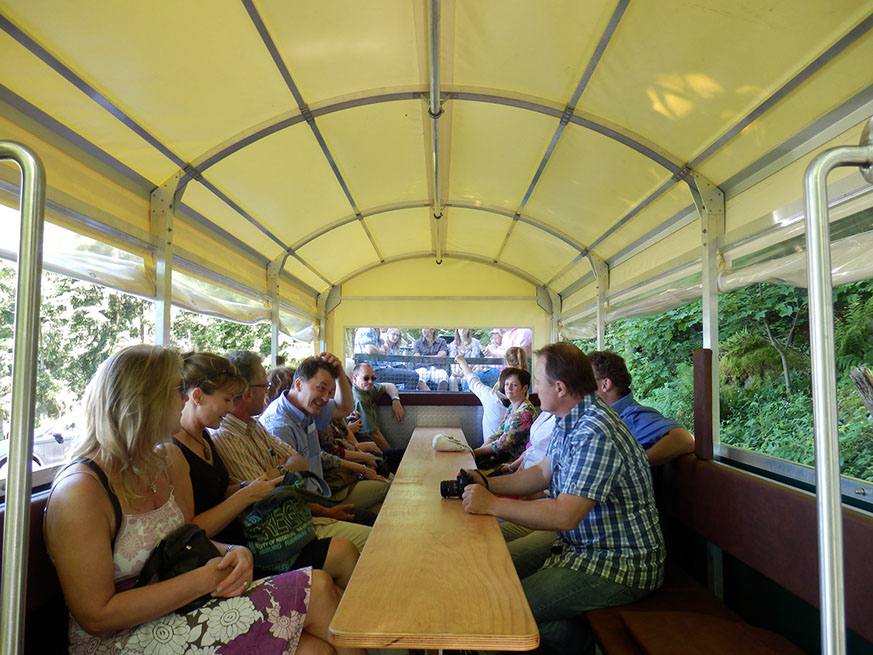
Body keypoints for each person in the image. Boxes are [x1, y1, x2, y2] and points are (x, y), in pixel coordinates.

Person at [44, 344, 358, 655]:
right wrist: (203, 579)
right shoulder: (81, 491)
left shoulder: (165, 460)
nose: (184, 398)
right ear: (144, 399)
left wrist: (233, 552)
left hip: (180, 604)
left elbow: (185, 539)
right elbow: (96, 616)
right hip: (123, 636)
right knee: (317, 591)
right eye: (177, 389)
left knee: (315, 644)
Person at [460, 343, 664, 655]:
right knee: (492, 572)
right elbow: (542, 473)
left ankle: (579, 641)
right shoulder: (570, 419)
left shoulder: (595, 430)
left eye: (537, 382)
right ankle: (574, 635)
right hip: (579, 545)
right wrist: (487, 482)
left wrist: (492, 503)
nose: (534, 390)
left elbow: (565, 515)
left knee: (500, 611)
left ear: (560, 388)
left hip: (618, 563)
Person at [201, 350, 359, 586]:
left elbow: (298, 461)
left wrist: (276, 473)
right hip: (282, 536)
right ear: (247, 392)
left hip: (303, 512)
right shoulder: (229, 434)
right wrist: (282, 472)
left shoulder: (254, 426)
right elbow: (265, 493)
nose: (268, 392)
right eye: (264, 386)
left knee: (372, 520)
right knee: (367, 539)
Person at [260, 353, 383, 551]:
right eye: (321, 388)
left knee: (382, 511)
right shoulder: (279, 425)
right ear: (299, 384)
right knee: (379, 536)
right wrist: (326, 511)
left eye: (330, 391)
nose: (326, 398)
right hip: (306, 512)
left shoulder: (308, 409)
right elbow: (285, 492)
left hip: (322, 494)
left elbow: (345, 408)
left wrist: (340, 373)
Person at [588, 350, 695, 466]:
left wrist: (633, 465)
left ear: (605, 384)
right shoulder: (600, 415)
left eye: (585, 381)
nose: (579, 388)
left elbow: (685, 438)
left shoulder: (633, 417)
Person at [471, 367, 538, 467]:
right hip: (504, 458)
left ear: (524, 388)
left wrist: (476, 452)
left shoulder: (525, 412)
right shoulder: (512, 407)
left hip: (517, 463)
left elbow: (504, 443)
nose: (509, 388)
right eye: (507, 384)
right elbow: (499, 432)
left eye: (514, 385)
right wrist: (479, 450)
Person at [351, 363, 406, 472]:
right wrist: (390, 454)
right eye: (366, 378)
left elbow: (388, 386)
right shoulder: (359, 399)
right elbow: (374, 434)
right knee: (402, 456)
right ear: (354, 378)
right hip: (366, 449)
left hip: (373, 446)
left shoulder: (367, 390)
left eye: (373, 378)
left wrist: (395, 400)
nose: (370, 382)